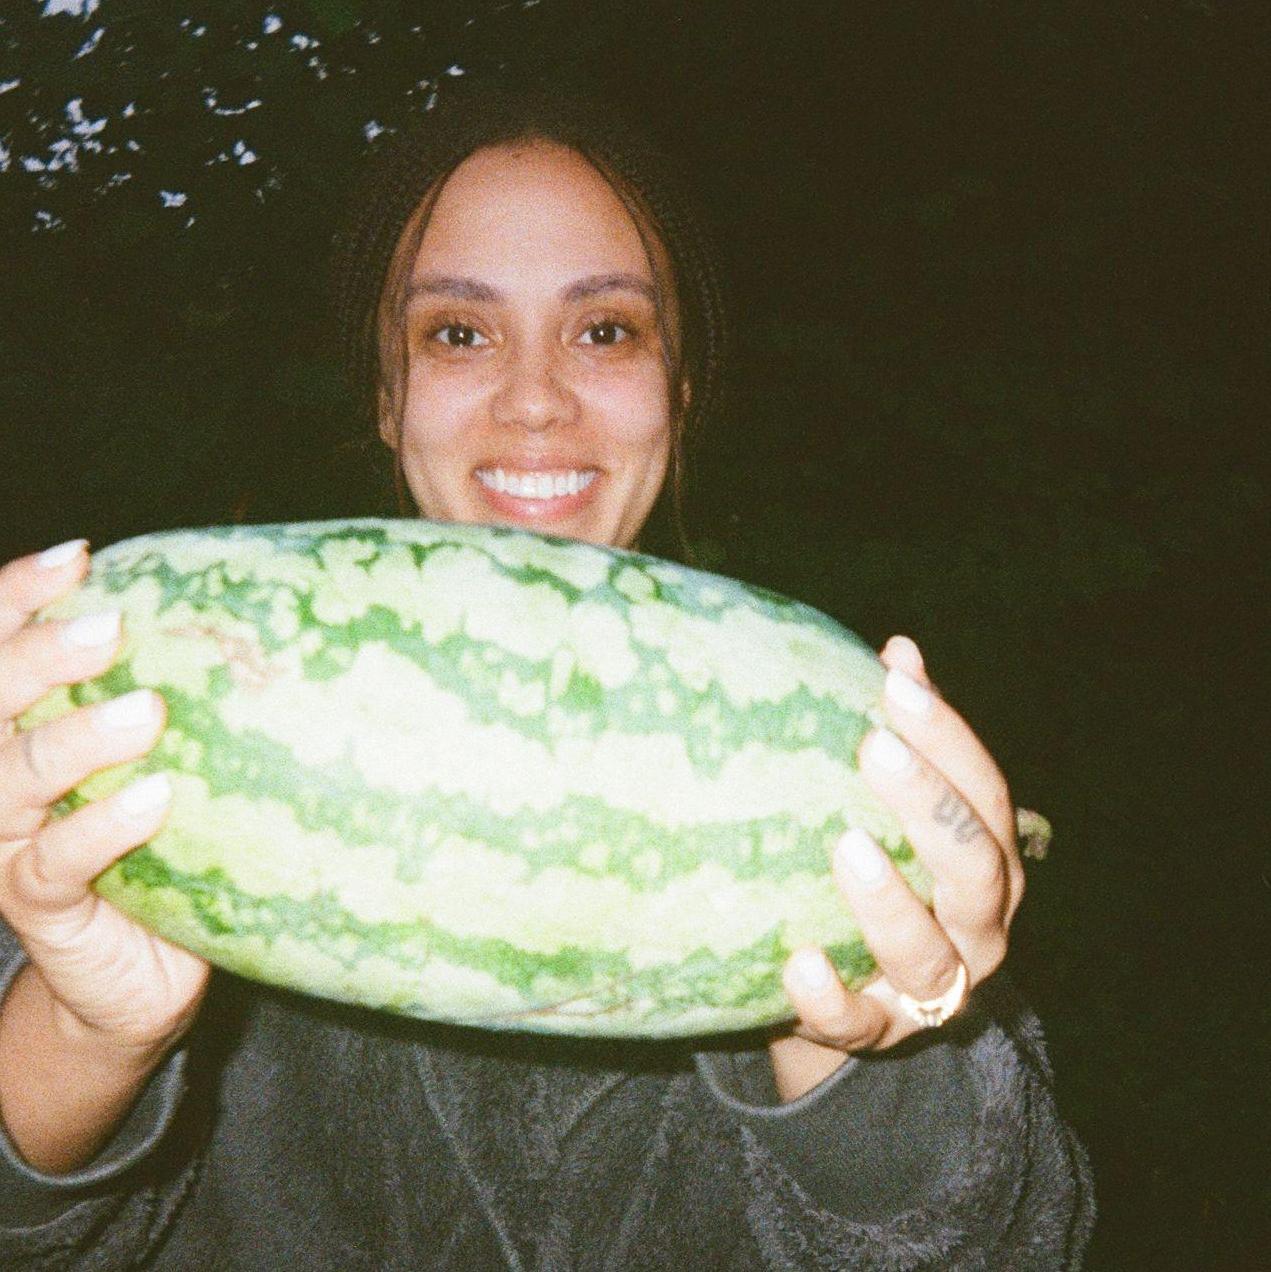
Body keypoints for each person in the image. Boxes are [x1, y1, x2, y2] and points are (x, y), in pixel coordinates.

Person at [0, 79, 1093, 1268]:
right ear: (384, 395)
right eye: (456, 333)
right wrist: (83, 1031)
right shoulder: (125, 735)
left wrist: (859, 1060)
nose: (533, 399)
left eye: (605, 329)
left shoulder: (836, 747)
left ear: (679, 388)